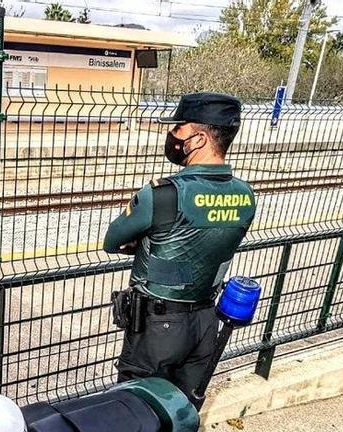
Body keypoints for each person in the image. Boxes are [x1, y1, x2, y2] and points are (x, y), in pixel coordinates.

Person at [103, 92, 256, 410]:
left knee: (136, 408)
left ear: (198, 138)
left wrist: (147, 244)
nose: (171, 135)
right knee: (183, 406)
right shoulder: (245, 195)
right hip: (205, 321)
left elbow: (112, 241)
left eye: (178, 128)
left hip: (157, 328)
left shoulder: (162, 195)